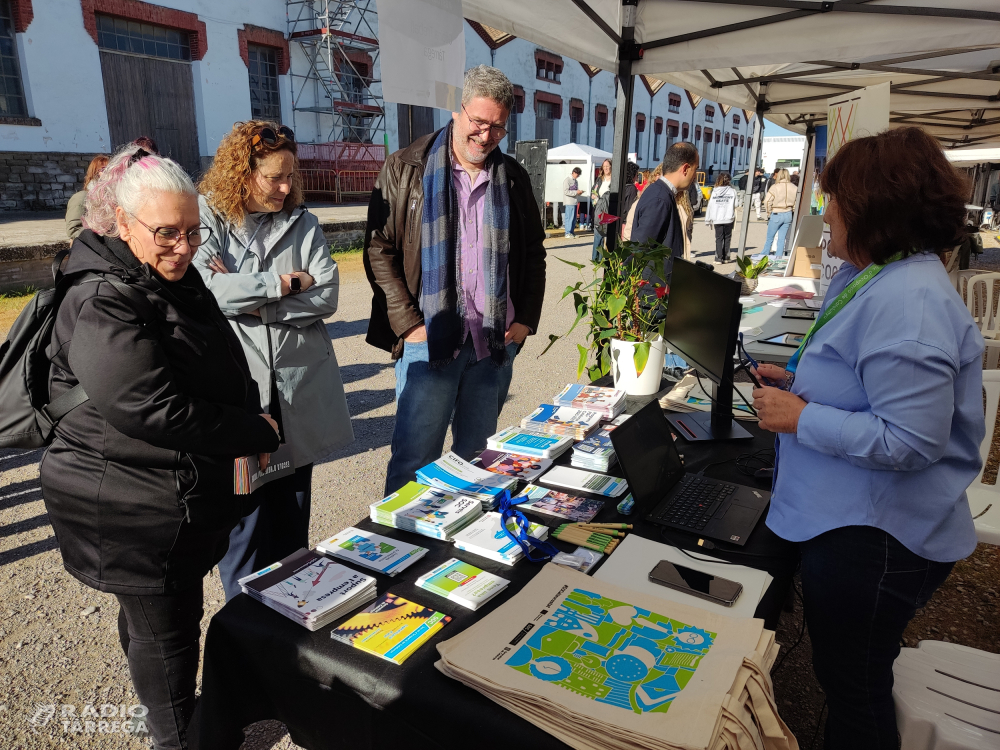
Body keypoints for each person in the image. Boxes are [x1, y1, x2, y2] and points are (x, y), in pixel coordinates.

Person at [41, 144, 281, 749]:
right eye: (166, 233)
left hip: (166, 495)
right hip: (131, 508)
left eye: (194, 231)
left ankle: (168, 714)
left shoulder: (166, 271)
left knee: (156, 625)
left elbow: (218, 349)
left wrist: (247, 404)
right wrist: (253, 429)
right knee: (165, 634)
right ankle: (176, 736)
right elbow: (150, 407)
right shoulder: (101, 298)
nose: (184, 247)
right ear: (121, 224)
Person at [750, 126, 983, 750]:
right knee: (848, 674)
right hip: (854, 523)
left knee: (854, 688)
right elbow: (867, 381)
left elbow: (910, 440)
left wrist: (800, 417)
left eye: (834, 200)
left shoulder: (912, 304)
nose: (824, 215)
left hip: (877, 538)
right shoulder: (883, 276)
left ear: (874, 207)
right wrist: (802, 381)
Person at [365, 65, 547, 495]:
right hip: (429, 342)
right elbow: (378, 248)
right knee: (414, 459)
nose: (486, 137)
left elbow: (534, 252)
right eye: (479, 123)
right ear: (458, 110)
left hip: (493, 343)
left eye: (498, 128)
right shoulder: (406, 167)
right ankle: (402, 550)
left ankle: (460, 549)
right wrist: (408, 323)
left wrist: (527, 318)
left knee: (478, 459)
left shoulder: (514, 177)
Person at [196, 120, 354, 600]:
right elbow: (206, 290)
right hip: (242, 395)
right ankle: (243, 628)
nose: (285, 188)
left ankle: (290, 621)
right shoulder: (208, 218)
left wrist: (249, 299)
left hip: (296, 393)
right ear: (241, 173)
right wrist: (285, 282)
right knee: (244, 526)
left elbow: (326, 293)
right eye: (273, 178)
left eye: (291, 176)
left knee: (291, 521)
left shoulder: (303, 221)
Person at [629, 141, 700, 276]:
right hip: (652, 290)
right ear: (685, 168)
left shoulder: (662, 193)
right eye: (695, 169)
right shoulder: (660, 199)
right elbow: (640, 247)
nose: (695, 176)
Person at [754, 168, 797, 261]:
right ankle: (778, 258)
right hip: (788, 213)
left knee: (770, 238)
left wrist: (769, 213)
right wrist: (792, 209)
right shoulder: (794, 187)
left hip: (777, 213)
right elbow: (796, 202)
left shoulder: (775, 186)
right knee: (782, 239)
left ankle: (762, 257)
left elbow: (767, 201)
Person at [65, 153, 109, 239]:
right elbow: (74, 230)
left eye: (111, 169)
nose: (109, 173)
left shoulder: (114, 198)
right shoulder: (81, 198)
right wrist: (101, 241)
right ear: (95, 173)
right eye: (104, 169)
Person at [705, 172, 736, 264]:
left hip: (717, 217)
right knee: (727, 237)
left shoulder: (714, 191)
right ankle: (726, 257)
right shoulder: (732, 191)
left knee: (719, 238)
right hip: (728, 217)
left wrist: (708, 218)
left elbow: (710, 205)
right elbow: (737, 204)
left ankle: (718, 258)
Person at [591, 158, 612, 260]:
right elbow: (594, 191)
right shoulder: (600, 179)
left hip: (609, 209)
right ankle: (595, 258)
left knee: (606, 234)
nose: (606, 168)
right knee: (598, 233)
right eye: (604, 166)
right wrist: (594, 197)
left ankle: (602, 257)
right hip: (599, 209)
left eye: (608, 166)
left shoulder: (614, 179)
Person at [562, 167, 583, 238]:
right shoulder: (567, 180)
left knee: (573, 218)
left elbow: (574, 191)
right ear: (573, 172)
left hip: (574, 201)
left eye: (578, 175)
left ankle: (571, 232)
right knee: (569, 217)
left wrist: (579, 192)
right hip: (569, 201)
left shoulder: (575, 181)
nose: (577, 176)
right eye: (577, 174)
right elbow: (565, 191)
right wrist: (576, 192)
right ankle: (567, 232)